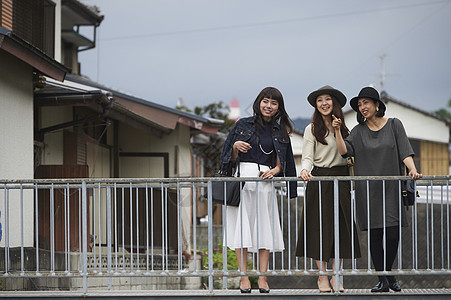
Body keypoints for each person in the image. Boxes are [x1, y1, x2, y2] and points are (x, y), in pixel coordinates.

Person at [332, 86, 422, 293]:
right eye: (360, 104)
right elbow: (344, 151)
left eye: (366, 103)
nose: (363, 107)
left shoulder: (394, 125)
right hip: (368, 190)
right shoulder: (358, 131)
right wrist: (337, 131)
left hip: (391, 187)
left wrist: (413, 170)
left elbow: (405, 150)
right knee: (375, 235)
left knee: (392, 235)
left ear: (377, 105)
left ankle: (388, 274)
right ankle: (383, 279)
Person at [218, 87, 297, 293]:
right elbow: (226, 158)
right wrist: (235, 147)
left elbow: (283, 163)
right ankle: (244, 277)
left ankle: (263, 277)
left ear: (279, 107)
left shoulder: (280, 131)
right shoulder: (242, 124)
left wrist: (275, 170)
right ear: (258, 102)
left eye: (273, 102)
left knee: (265, 229)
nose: (268, 106)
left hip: (265, 182)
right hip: (242, 180)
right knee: (241, 230)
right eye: (265, 101)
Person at [295, 85, 361, 293]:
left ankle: (337, 276)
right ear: (316, 105)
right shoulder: (311, 129)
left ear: (335, 103)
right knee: (318, 228)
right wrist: (305, 171)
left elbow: (347, 155)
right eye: (319, 100)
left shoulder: (345, 128)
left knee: (340, 228)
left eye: (327, 99)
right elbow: (307, 156)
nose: (324, 103)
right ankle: (322, 276)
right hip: (319, 178)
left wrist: (338, 129)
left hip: (340, 179)